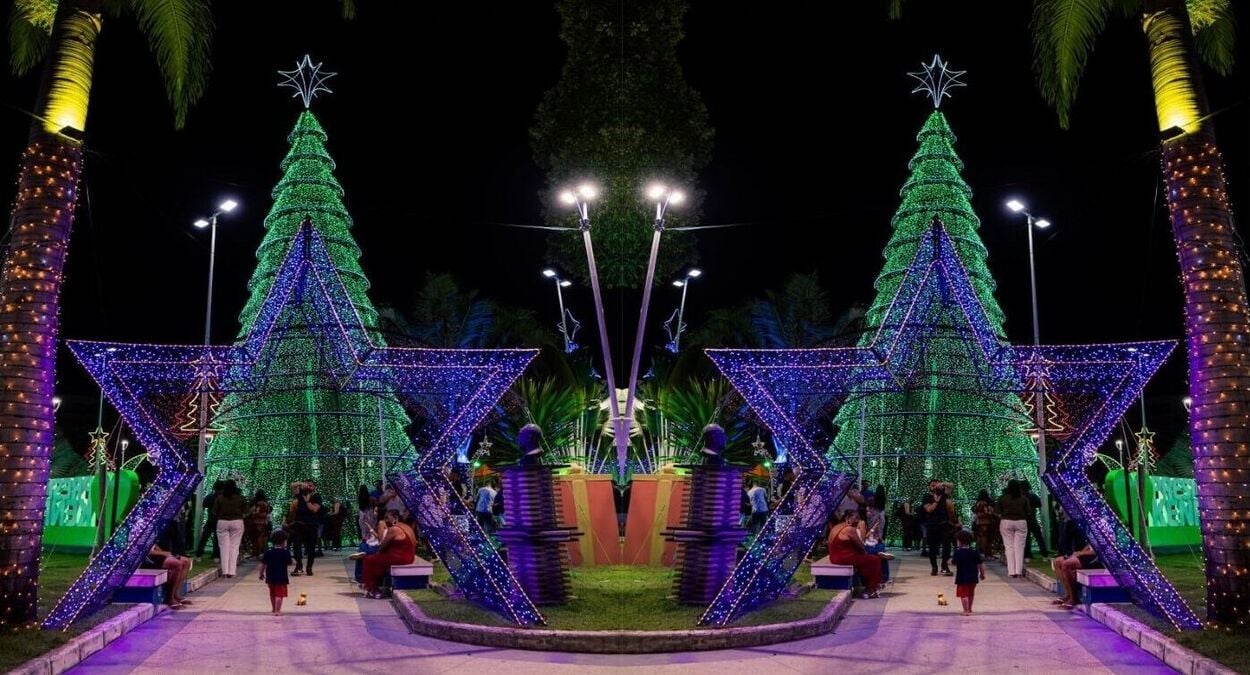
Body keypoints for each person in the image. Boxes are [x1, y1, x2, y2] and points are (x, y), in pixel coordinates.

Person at [825, 509, 882, 599]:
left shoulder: (837, 526)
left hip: (835, 557)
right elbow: (860, 545)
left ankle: (872, 585)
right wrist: (865, 553)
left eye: (858, 518)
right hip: (843, 558)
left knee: (869, 558)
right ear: (848, 518)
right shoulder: (849, 529)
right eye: (855, 518)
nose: (857, 521)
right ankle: (871, 588)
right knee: (875, 560)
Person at [362, 510, 416, 599]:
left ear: (395, 518)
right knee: (376, 559)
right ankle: (371, 585)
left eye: (387, 518)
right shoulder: (406, 526)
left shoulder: (394, 529)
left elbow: (382, 546)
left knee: (368, 560)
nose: (386, 521)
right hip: (409, 557)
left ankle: (372, 589)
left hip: (400, 558)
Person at [1052, 510, 1100, 609]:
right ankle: (1068, 594)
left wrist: (1081, 553)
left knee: (1067, 564)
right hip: (1088, 554)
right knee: (1057, 562)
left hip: (1097, 558)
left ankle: (1074, 598)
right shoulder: (1091, 523)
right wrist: (1078, 553)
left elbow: (1100, 550)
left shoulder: (1102, 525)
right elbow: (1090, 545)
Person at [147, 519, 193, 609]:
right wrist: (162, 553)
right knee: (177, 564)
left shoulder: (151, 524)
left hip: (156, 554)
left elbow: (153, 544)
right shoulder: (139, 527)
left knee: (186, 561)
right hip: (147, 558)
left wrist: (163, 552)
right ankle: (169, 598)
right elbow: (144, 550)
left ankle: (176, 594)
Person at [998, 479, 1031, 578]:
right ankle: (1018, 571)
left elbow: (997, 511)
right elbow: (1029, 512)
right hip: (1021, 521)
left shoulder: (1002, 498)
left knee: (1009, 546)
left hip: (1006, 521)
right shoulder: (1024, 498)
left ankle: (1011, 571)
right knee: (1019, 547)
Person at [213, 479, 246, 578]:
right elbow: (247, 511)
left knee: (224, 547)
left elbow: (214, 511)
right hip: (237, 521)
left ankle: (225, 570)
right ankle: (232, 571)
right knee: (234, 546)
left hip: (222, 522)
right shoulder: (240, 498)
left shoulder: (219, 498)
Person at [922, 478, 953, 576]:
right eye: (932, 485)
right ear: (929, 487)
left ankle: (944, 565)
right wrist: (936, 501)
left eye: (936, 485)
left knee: (947, 546)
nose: (935, 487)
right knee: (932, 548)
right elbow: (929, 509)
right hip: (932, 525)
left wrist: (942, 483)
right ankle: (934, 567)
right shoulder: (927, 496)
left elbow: (951, 485)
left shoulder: (944, 494)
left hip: (944, 524)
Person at [951, 529, 986, 616]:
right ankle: (970, 609)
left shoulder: (958, 552)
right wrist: (982, 574)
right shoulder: (974, 552)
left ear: (959, 541)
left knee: (964, 594)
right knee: (971, 593)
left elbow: (953, 562)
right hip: (973, 576)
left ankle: (965, 611)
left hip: (962, 577)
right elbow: (980, 564)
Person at [291, 481, 321, 576]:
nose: (308, 487)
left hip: (312, 525)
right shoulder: (300, 494)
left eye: (310, 485)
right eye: (306, 485)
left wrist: (307, 500)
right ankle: (299, 565)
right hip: (299, 524)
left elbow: (314, 509)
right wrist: (300, 484)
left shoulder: (317, 496)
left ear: (314, 487)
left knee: (311, 547)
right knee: (296, 545)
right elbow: (292, 485)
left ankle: (309, 567)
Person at [260, 530, 292, 616]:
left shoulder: (268, 552)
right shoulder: (285, 552)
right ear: (284, 541)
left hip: (270, 577)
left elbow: (263, 564)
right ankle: (278, 611)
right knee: (279, 595)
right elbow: (290, 562)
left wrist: (261, 574)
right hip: (281, 577)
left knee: (272, 593)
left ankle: (274, 609)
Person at [194, 480, 224, 559]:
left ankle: (199, 553)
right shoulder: (223, 498)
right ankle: (216, 555)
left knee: (204, 537)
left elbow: (204, 506)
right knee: (217, 539)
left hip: (211, 519)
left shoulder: (210, 497)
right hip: (220, 520)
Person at [1022, 480, 1050, 560]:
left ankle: (1027, 556)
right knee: (1039, 538)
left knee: (1026, 539)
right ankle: (1044, 555)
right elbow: (1039, 504)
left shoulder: (1021, 497)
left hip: (1024, 520)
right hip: (1032, 519)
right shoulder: (1032, 496)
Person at [973, 489, 998, 560]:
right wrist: (992, 513)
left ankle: (980, 553)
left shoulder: (978, 502)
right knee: (987, 538)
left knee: (980, 538)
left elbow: (975, 511)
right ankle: (987, 554)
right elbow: (987, 512)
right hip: (986, 522)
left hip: (979, 522)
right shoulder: (985, 503)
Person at [248, 490, 272, 559]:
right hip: (265, 522)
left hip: (258, 522)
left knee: (258, 538)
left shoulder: (258, 503)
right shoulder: (266, 503)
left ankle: (258, 553)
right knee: (264, 538)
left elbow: (257, 512)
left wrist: (252, 513)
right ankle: (264, 553)